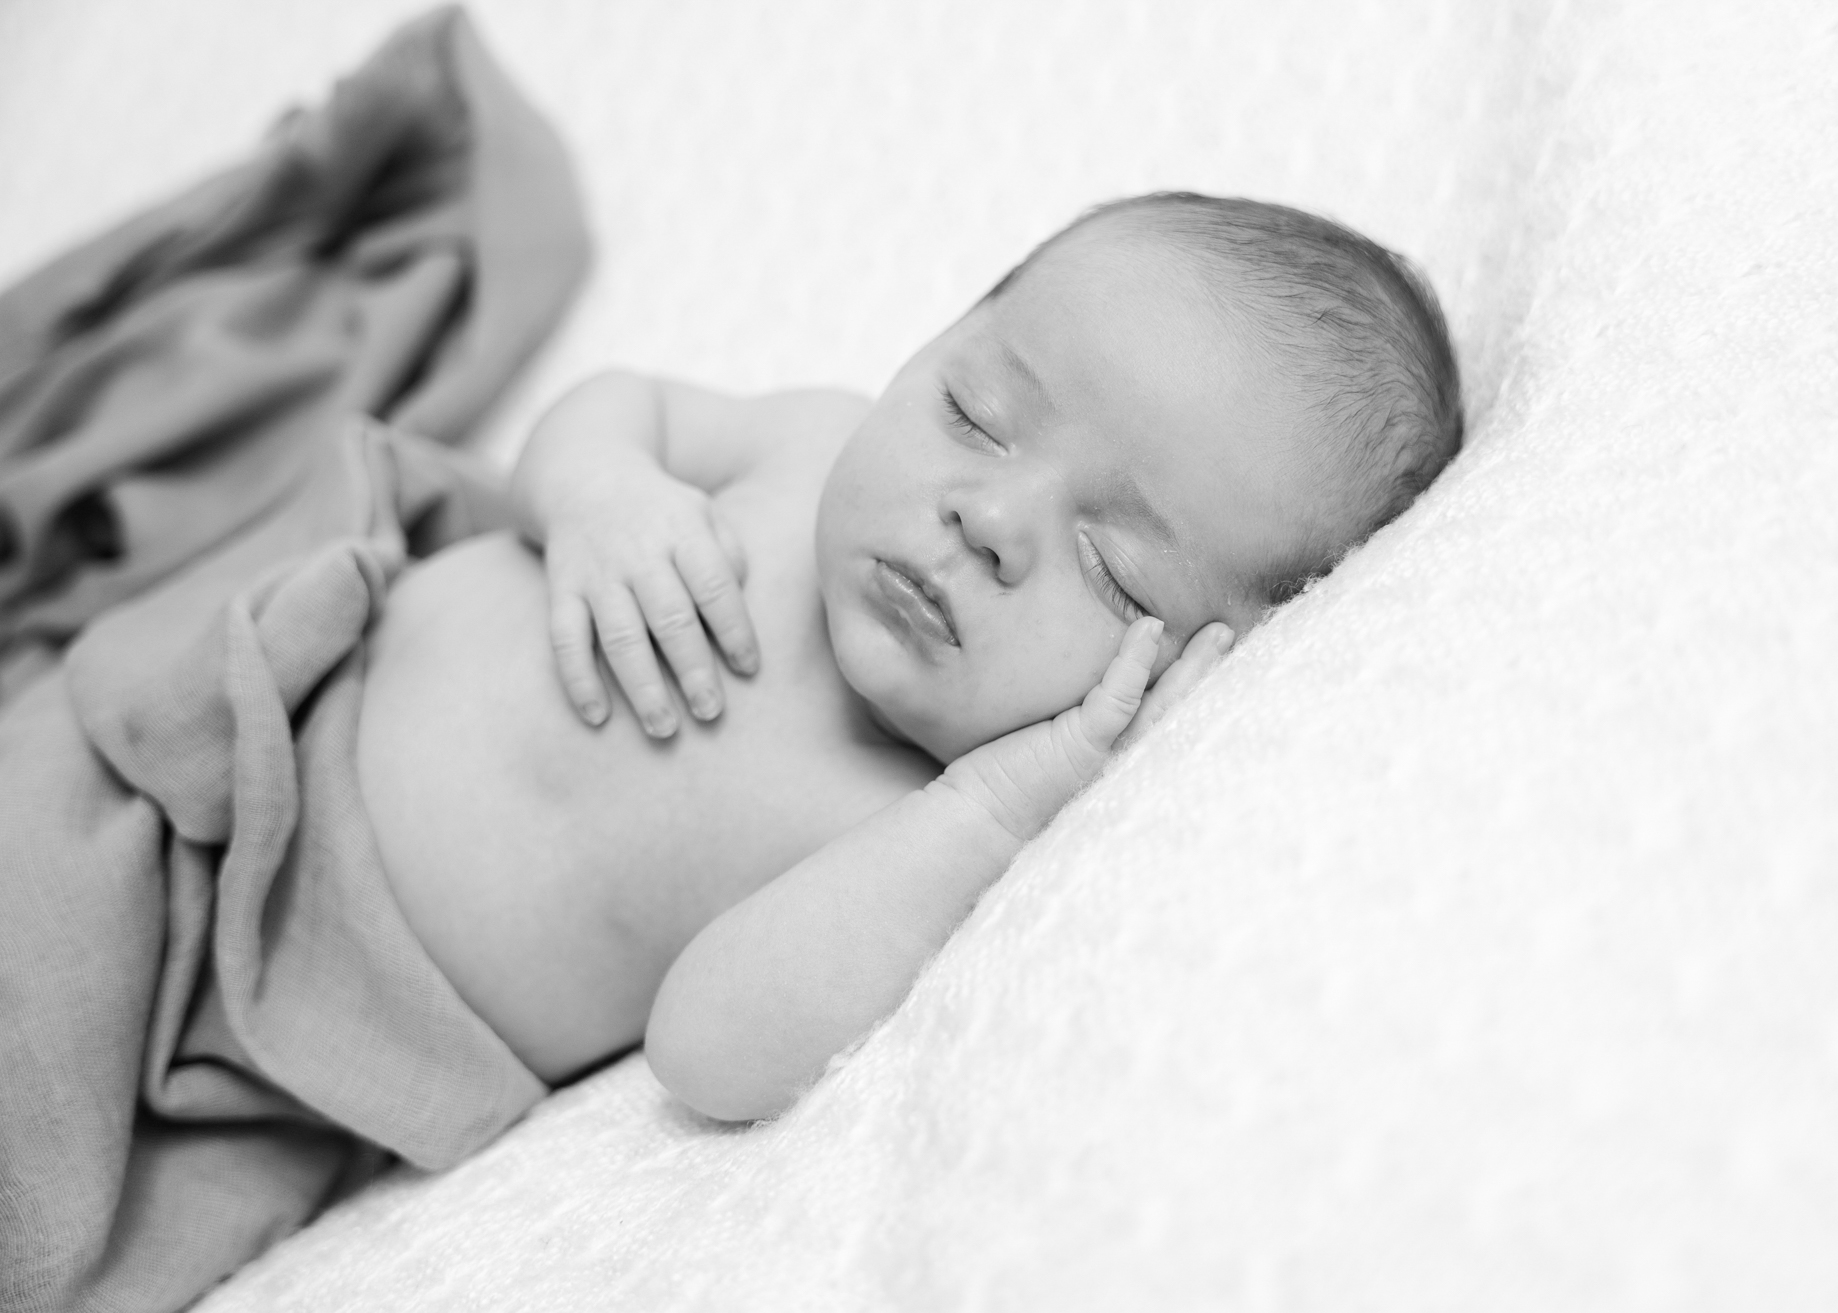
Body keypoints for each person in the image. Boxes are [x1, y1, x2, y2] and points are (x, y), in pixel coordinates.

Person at [355, 191, 1463, 1122]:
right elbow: (616, 404)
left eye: (1114, 569)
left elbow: (706, 1053)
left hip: (314, 992)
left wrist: (992, 807)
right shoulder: (806, 446)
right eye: (976, 414)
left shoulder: (911, 831)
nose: (988, 517)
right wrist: (600, 487)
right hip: (295, 658)